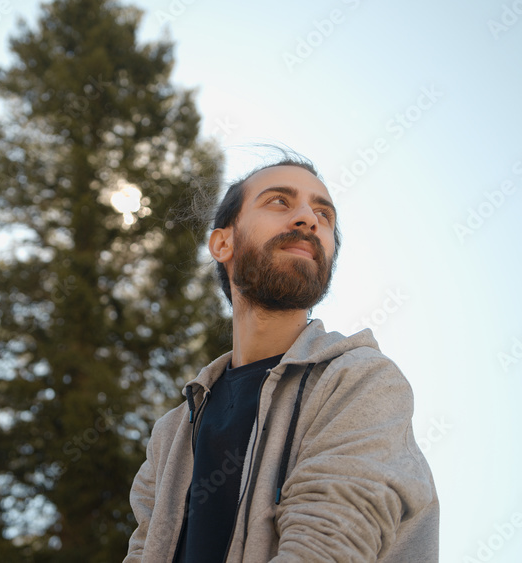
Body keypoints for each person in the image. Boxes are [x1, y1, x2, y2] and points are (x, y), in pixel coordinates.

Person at [124, 154, 439, 562]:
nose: (309, 219)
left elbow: (325, 548)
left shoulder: (361, 380)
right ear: (223, 243)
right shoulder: (171, 435)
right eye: (279, 201)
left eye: (324, 214)